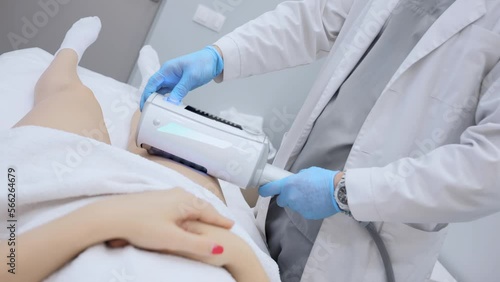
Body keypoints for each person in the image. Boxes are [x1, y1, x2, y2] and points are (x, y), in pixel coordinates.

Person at [140, 0, 500, 281]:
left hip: (362, 252)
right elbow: (309, 19)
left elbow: (489, 169)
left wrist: (344, 191)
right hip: (289, 200)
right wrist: (219, 56)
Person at [0, 17, 270, 282]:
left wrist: (113, 217)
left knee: (71, 97)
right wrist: (239, 253)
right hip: (184, 212)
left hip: (59, 208)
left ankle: (67, 54)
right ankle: (150, 93)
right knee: (159, 139)